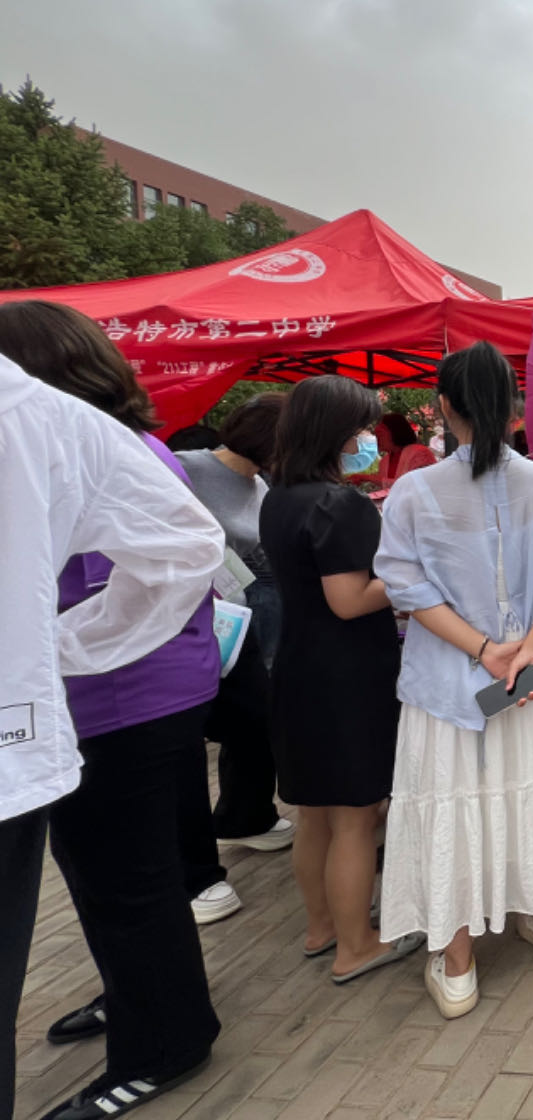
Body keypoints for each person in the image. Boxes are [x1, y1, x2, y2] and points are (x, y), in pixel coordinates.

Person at [0, 302, 231, 1120]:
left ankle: (164, 1043)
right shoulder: (103, 444)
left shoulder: (96, 449)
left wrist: (53, 646)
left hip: (120, 696)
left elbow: (140, 580)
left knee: (128, 883)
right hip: (118, 693)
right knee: (115, 878)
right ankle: (137, 998)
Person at [374, 342, 533, 1018]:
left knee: (455, 805)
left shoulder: (415, 491)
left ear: (444, 405)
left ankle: (459, 964)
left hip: (455, 684)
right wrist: (530, 646)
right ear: (513, 406)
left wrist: (486, 650)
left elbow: (405, 586)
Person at [261, 376, 419, 982]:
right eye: (361, 428)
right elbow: (350, 600)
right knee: (356, 814)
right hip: (347, 678)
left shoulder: (279, 496)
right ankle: (357, 946)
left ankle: (322, 927)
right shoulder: (338, 504)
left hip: (299, 668)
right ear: (335, 432)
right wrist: (411, 576)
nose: (367, 439)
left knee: (316, 813)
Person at [177, 393, 295, 856]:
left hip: (241, 617)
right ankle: (212, 839)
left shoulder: (259, 484)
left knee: (253, 719)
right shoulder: (186, 468)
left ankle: (245, 815)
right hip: (193, 615)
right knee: (234, 719)